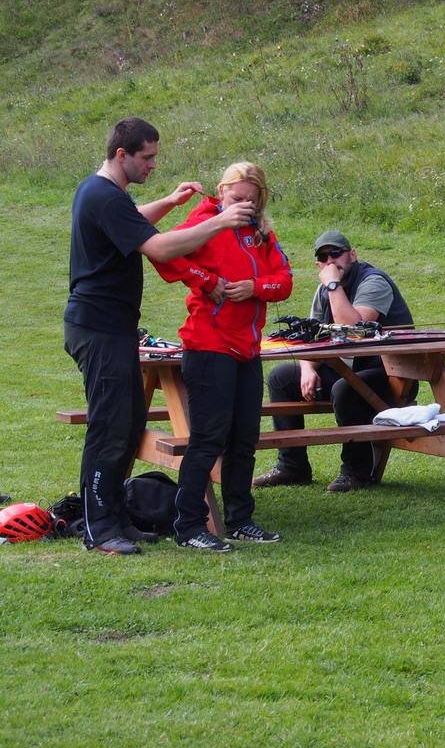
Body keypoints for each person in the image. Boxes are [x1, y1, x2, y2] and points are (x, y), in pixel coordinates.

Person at [64, 117, 257, 556]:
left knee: (129, 423)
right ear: (122, 155)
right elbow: (159, 248)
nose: (153, 164)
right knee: (110, 427)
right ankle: (98, 528)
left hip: (114, 329)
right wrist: (220, 222)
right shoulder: (102, 195)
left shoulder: (105, 195)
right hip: (97, 329)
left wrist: (170, 202)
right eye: (147, 157)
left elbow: (132, 222)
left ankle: (117, 518)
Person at [151, 162, 293, 552]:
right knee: (208, 438)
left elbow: (284, 281)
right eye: (236, 198)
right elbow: (163, 254)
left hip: (248, 347)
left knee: (244, 437)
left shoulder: (261, 232)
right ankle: (188, 525)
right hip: (208, 344)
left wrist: (254, 287)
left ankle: (240, 520)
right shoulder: (205, 220)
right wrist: (207, 281)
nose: (243, 206)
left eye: (251, 200)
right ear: (221, 192)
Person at [253, 231, 415, 493]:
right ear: (318, 264)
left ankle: (356, 471)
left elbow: (353, 330)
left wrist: (332, 285)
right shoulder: (325, 290)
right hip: (349, 371)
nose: (330, 261)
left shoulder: (373, 282)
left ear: (353, 255)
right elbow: (311, 336)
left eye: (336, 253)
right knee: (281, 377)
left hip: (391, 377)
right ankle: (292, 466)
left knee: (346, 389)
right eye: (323, 257)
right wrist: (308, 368)